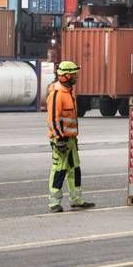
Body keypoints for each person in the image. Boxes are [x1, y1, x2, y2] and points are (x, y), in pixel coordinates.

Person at [44, 62, 94, 213]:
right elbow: (53, 119)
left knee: (74, 169)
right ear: (66, 75)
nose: (76, 77)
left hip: (71, 140)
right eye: (74, 74)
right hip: (61, 140)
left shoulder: (69, 92)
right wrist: (59, 139)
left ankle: (76, 199)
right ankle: (54, 202)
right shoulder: (57, 94)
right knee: (59, 170)